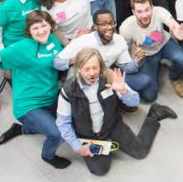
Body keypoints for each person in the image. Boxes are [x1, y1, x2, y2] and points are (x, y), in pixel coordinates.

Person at [0, 11, 69, 169]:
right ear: (29, 31)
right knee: (57, 134)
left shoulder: (54, 40)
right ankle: (47, 156)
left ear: (50, 25)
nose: (41, 30)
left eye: (44, 25)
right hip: (29, 105)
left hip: (51, 97)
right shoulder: (23, 47)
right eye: (35, 28)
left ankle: (21, 128)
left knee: (67, 123)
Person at [56, 48, 176, 176]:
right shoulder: (68, 90)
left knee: (140, 151)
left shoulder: (110, 77)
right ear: (79, 69)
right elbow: (63, 123)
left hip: (112, 125)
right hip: (88, 135)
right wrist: (78, 147)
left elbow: (134, 102)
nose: (92, 73)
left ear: (100, 67)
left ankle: (154, 114)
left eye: (95, 68)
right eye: (87, 69)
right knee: (100, 170)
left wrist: (124, 91)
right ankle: (108, 144)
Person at [55, 9, 152, 97]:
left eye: (111, 23)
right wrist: (77, 59)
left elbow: (127, 68)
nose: (109, 27)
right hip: (81, 81)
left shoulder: (119, 40)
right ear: (95, 27)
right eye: (104, 24)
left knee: (144, 81)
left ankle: (113, 96)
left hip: (104, 77)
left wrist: (138, 61)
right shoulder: (83, 41)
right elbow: (57, 63)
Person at [120, 0, 183, 101]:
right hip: (146, 56)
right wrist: (135, 64)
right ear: (133, 12)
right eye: (139, 11)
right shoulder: (126, 28)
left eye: (147, 10)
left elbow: (172, 23)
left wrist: (177, 31)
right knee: (149, 96)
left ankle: (174, 79)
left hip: (164, 45)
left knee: (181, 58)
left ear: (152, 7)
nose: (144, 15)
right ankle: (155, 67)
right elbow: (125, 51)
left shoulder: (159, 11)